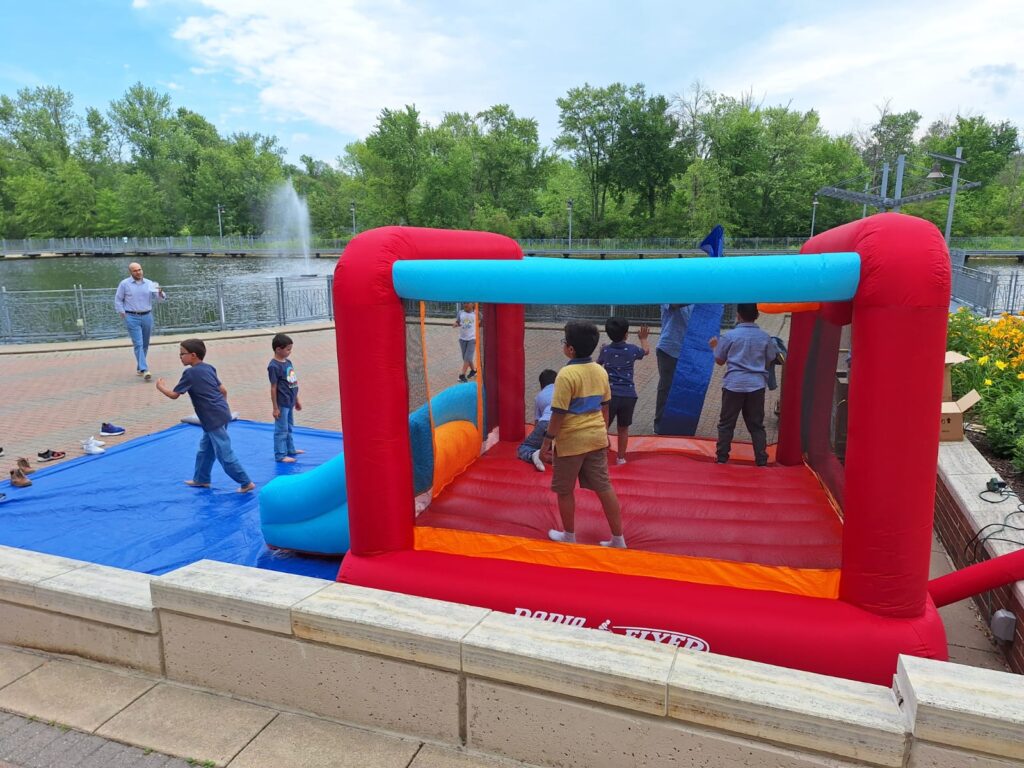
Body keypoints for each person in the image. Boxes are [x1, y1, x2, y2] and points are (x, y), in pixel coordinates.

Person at [542, 321, 626, 548]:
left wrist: (547, 442)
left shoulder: (566, 374)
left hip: (571, 442)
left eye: (564, 342)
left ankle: (569, 536)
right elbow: (605, 407)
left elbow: (558, 413)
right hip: (596, 438)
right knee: (604, 487)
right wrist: (603, 433)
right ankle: (618, 538)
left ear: (570, 349)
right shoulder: (600, 370)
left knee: (565, 490)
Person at [155, 338, 255, 493]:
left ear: (193, 355)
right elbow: (223, 391)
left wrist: (160, 387)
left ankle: (246, 482)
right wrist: (222, 408)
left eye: (182, 354)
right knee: (205, 450)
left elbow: (174, 395)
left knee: (224, 453)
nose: (180, 357)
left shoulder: (189, 373)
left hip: (213, 418)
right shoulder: (209, 368)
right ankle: (201, 479)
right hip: (220, 413)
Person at [708, 303, 779, 466]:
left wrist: (714, 347)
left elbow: (720, 360)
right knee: (756, 425)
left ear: (738, 315)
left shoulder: (729, 336)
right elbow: (769, 359)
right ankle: (761, 459)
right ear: (757, 316)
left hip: (734, 385)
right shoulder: (765, 337)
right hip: (756, 386)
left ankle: (722, 457)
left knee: (726, 424)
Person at [597, 317, 650, 465]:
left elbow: (597, 365)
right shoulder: (632, 350)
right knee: (623, 428)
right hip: (628, 395)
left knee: (603, 427)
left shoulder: (605, 350)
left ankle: (600, 455)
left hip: (609, 396)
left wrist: (602, 351)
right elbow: (646, 351)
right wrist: (643, 338)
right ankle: (621, 457)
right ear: (626, 334)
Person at [114, 262, 165, 380]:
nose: (138, 272)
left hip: (147, 316)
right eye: (135, 270)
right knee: (138, 343)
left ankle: (139, 367)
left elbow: (160, 299)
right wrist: (122, 312)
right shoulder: (124, 284)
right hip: (131, 317)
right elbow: (118, 299)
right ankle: (145, 369)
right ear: (130, 272)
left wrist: (160, 292)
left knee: (145, 343)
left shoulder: (149, 283)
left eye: (139, 269)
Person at [654, 303, 693, 433]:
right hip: (669, 349)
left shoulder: (696, 301)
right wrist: (699, 296)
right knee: (666, 388)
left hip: (689, 349)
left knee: (686, 388)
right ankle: (660, 425)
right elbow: (674, 305)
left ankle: (681, 423)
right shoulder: (670, 295)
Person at [268, 333, 305, 463]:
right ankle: (280, 455)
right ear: (278, 349)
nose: (290, 352)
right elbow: (273, 388)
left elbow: (292, 382)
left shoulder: (288, 362)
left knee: (289, 427)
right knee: (281, 429)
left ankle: (290, 449)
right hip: (282, 403)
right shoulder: (273, 366)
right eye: (288, 349)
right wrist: (275, 408)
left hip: (290, 401)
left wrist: (296, 400)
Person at [516, 369, 557, 472]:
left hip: (546, 423)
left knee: (524, 447)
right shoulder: (563, 391)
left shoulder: (539, 396)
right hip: (565, 424)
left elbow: (537, 423)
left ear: (541, 384)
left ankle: (533, 455)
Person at [453, 302, 478, 382]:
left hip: (472, 338)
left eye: (467, 303)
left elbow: (482, 319)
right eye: (464, 303)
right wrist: (456, 324)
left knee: (467, 357)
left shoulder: (476, 313)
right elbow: (458, 321)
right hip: (462, 339)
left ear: (473, 304)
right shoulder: (460, 313)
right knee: (465, 357)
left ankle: (462, 375)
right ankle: (473, 371)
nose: (465, 304)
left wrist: (479, 323)